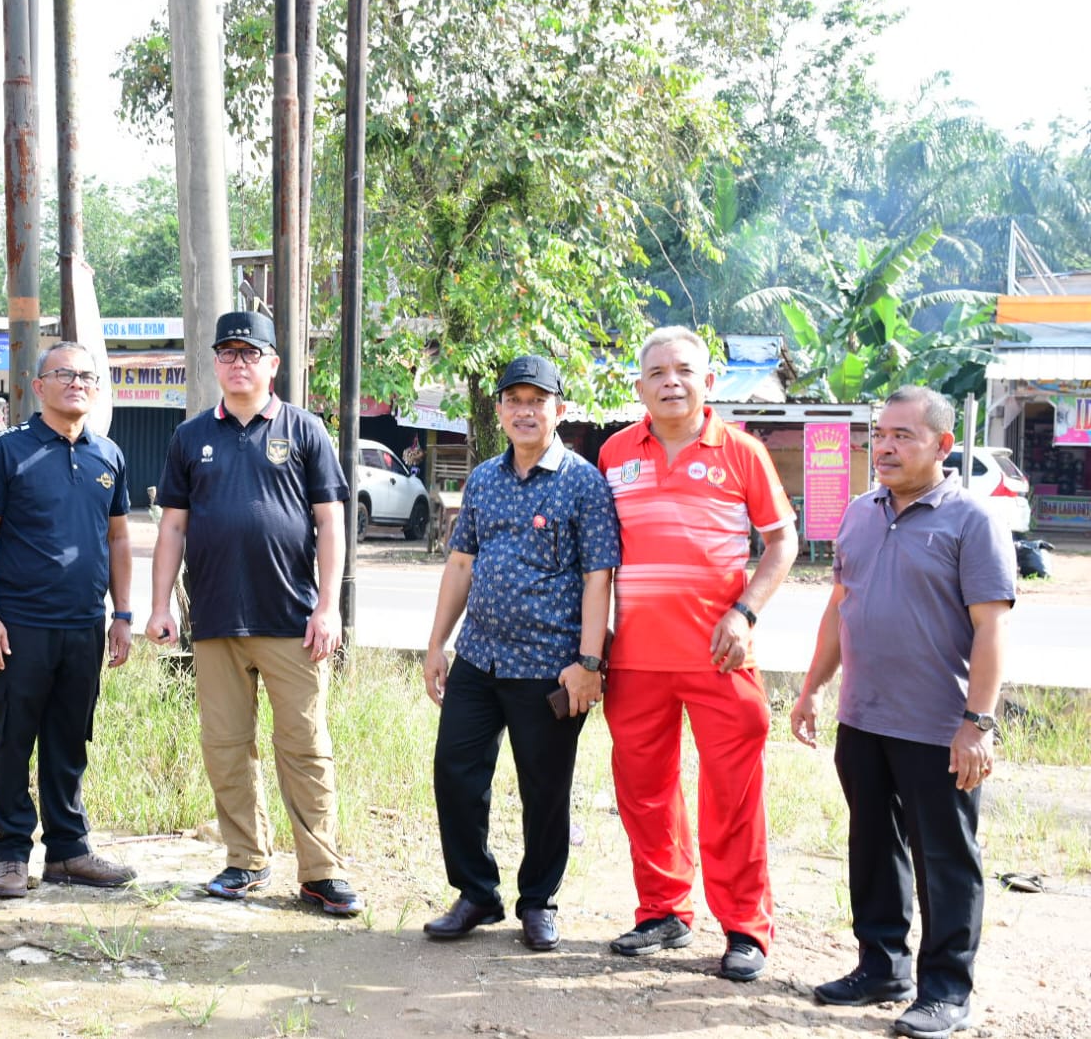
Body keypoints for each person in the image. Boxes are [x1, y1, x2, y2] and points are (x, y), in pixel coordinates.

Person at [791, 386, 1013, 1039]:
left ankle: (945, 991)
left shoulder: (970, 521)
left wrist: (977, 724)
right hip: (862, 718)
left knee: (944, 860)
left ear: (942, 446)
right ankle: (881, 965)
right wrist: (810, 690)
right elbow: (839, 607)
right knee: (872, 848)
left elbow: (991, 630)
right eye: (877, 435)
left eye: (902, 436)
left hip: (936, 727)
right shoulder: (859, 513)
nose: (883, 447)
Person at [596, 325, 798, 981]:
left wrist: (745, 612)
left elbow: (780, 542)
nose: (670, 382)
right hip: (632, 658)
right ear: (639, 387)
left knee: (731, 795)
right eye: (656, 372)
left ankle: (745, 929)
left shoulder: (739, 452)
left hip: (719, 655)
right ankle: (663, 911)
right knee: (644, 793)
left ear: (709, 382)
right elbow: (599, 558)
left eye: (683, 370)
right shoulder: (612, 453)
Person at [145, 310, 362, 917]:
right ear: (215, 363)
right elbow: (172, 529)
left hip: (292, 621)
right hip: (214, 622)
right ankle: (245, 860)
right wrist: (160, 605)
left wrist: (328, 607)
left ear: (272, 364)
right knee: (226, 745)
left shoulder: (305, 430)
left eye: (251, 354)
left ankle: (322, 871)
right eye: (228, 353)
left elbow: (329, 524)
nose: (239, 364)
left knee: (305, 746)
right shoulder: (190, 438)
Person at [421, 355, 619, 952]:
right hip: (479, 659)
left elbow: (597, 576)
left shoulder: (583, 482)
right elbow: (461, 564)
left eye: (538, 400)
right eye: (515, 400)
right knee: (455, 774)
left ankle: (539, 901)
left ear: (559, 409)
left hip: (548, 668)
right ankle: (477, 893)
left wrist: (588, 664)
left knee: (544, 788)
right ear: (500, 409)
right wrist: (437, 644)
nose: (525, 411)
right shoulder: (483, 478)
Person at [0, 341, 137, 896]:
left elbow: (118, 538)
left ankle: (68, 851)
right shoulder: (9, 451)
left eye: (87, 376)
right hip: (20, 623)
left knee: (71, 738)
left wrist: (123, 615)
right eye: (63, 373)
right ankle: (12, 854)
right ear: (38, 386)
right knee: (13, 738)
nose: (76, 383)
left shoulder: (107, 455)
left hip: (85, 623)